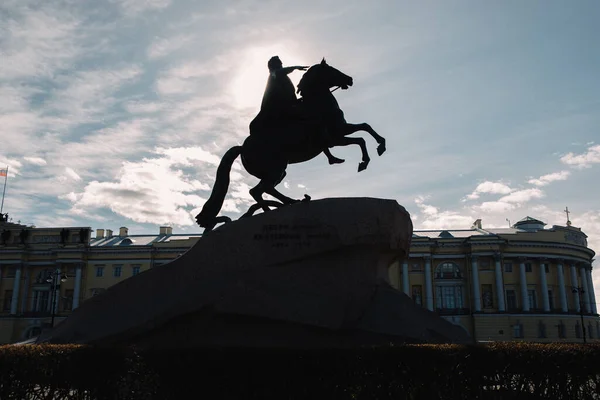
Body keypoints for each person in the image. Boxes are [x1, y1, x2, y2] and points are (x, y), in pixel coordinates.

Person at [252, 56, 344, 165]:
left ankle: (328, 154)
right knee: (314, 119)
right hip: (282, 109)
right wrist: (295, 67)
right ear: (275, 66)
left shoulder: (280, 76)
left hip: (289, 105)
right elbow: (281, 75)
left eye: (281, 64)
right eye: (279, 64)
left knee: (313, 115)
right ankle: (327, 150)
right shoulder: (274, 75)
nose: (281, 66)